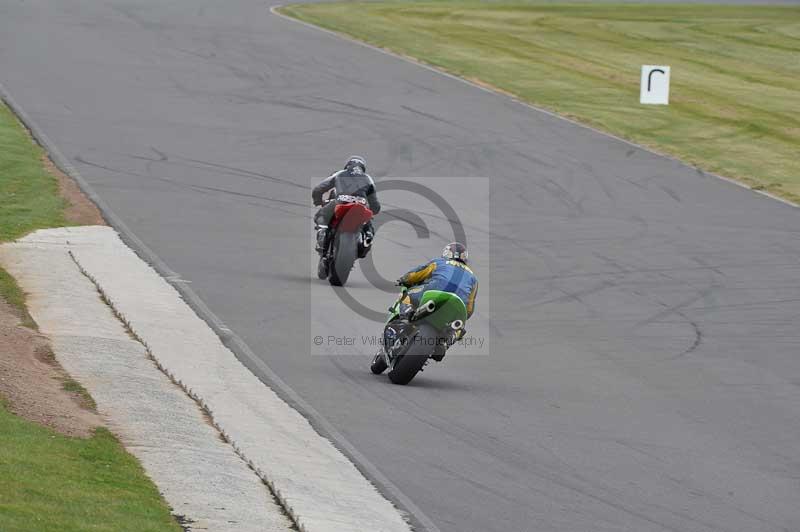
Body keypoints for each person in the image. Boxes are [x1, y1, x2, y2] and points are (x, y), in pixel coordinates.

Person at [395, 242, 478, 359]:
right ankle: (446, 341)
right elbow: (469, 308)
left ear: (446, 253)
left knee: (407, 294)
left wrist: (403, 279)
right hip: (458, 303)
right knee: (460, 325)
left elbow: (416, 274)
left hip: (435, 292)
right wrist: (463, 316)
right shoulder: (473, 278)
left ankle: (405, 316)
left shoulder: (439, 262)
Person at [312, 156, 380, 254]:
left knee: (321, 215)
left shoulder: (340, 174)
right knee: (368, 222)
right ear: (362, 168)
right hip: (360, 206)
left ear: (347, 166)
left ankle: (322, 234)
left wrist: (317, 200)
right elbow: (375, 205)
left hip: (340, 203)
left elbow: (318, 189)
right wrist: (373, 210)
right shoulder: (368, 178)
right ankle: (367, 239)